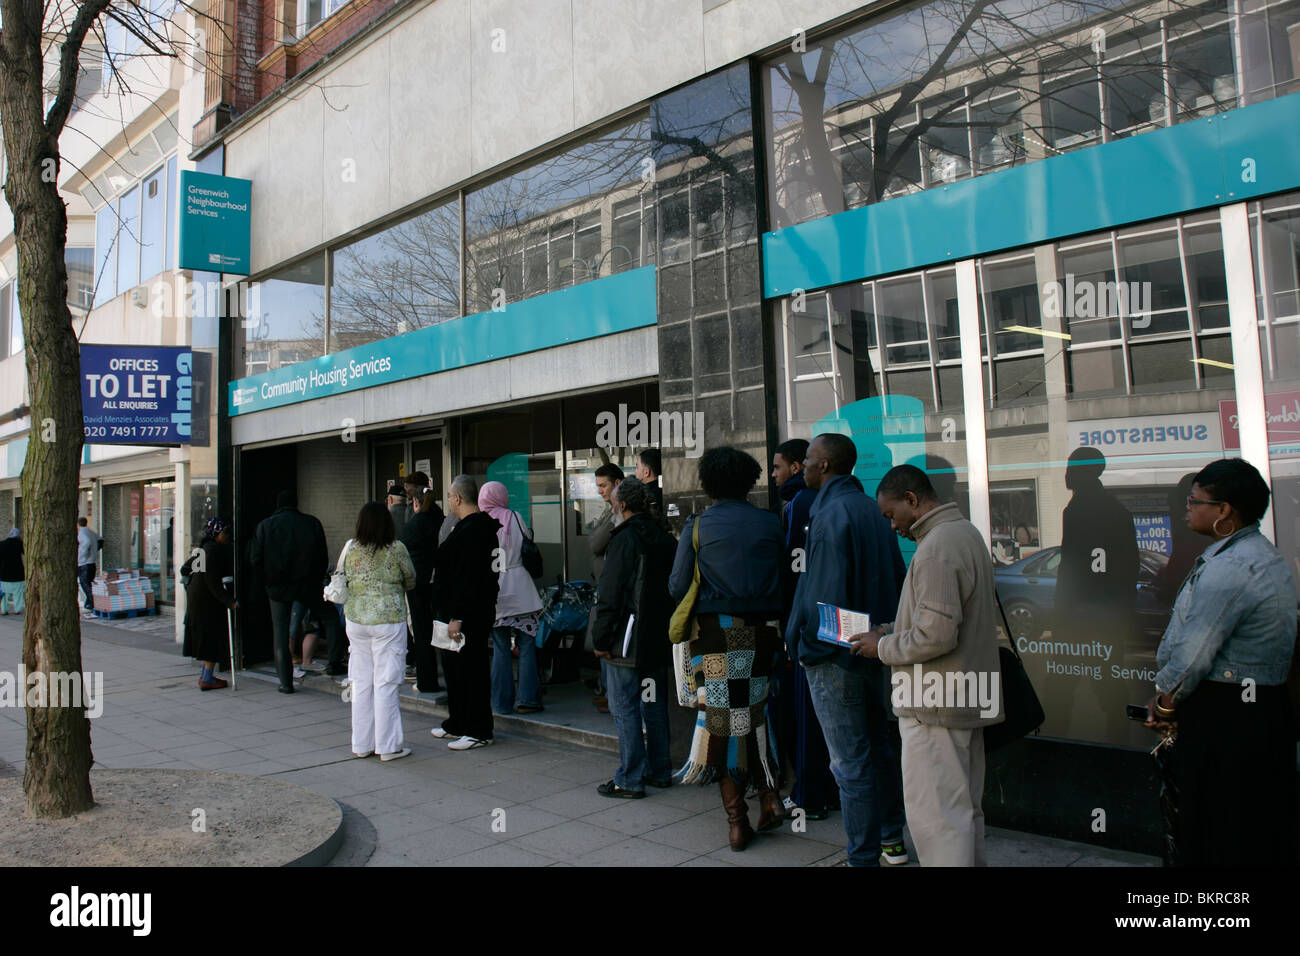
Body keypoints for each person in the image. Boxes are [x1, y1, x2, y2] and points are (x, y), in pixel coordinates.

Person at [1144, 458, 1298, 866]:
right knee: (1252, 829)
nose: (1187, 509)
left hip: (1227, 716)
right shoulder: (1262, 556)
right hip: (1258, 711)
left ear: (1224, 510)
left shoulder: (1231, 567)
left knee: (1216, 830)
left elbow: (1194, 654)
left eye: (1195, 501)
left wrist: (1164, 703)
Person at [852, 463, 1005, 867]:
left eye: (891, 515)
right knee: (963, 813)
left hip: (935, 705)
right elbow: (940, 620)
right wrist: (890, 628)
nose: (892, 526)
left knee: (937, 821)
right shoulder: (965, 533)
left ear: (912, 501)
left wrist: (882, 647)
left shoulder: (937, 546)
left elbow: (937, 635)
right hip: (963, 698)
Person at [784, 434, 908, 867]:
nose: (803, 465)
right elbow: (895, 578)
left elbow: (825, 596)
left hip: (839, 657)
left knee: (849, 763)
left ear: (826, 466)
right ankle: (892, 841)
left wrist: (810, 647)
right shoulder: (874, 511)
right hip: (876, 649)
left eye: (810, 459)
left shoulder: (830, 512)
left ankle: (862, 857)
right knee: (879, 751)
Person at [669, 446, 784, 851]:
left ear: (708, 484)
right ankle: (769, 796)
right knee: (753, 713)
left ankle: (737, 823)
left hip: (717, 632)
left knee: (725, 721)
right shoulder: (771, 523)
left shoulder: (698, 526)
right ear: (749, 481)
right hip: (764, 633)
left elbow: (677, 585)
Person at [591, 478, 678, 797]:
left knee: (624, 706)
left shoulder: (624, 539)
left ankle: (629, 777)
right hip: (657, 638)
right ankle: (659, 769)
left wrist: (601, 640)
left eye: (612, 500)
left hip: (626, 640)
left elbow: (611, 594)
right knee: (653, 704)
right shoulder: (664, 538)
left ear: (622, 505)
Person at [770, 438, 838, 821]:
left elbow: (795, 574)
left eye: (779, 467)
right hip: (846, 628)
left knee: (804, 713)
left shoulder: (800, 506)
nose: (775, 474)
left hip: (809, 629)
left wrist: (791, 629)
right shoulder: (855, 504)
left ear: (800, 467)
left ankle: (810, 793)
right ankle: (828, 790)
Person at [430, 475, 501, 750]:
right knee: (455, 669)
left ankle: (479, 729)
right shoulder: (471, 528)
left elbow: (469, 577)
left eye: (449, 496)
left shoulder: (474, 531)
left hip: (467, 614)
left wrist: (457, 616)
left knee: (471, 669)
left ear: (457, 498)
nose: (448, 500)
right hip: (460, 610)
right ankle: (457, 721)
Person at [342, 501, 417, 761]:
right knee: (385, 683)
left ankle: (361, 744)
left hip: (356, 621)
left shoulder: (351, 549)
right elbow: (411, 579)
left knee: (361, 683)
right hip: (388, 620)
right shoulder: (396, 549)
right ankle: (388, 746)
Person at [250, 489, 328, 693]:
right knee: (326, 619)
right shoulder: (312, 523)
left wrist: (267, 581)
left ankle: (286, 682)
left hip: (277, 587)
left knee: (280, 634)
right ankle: (334, 661)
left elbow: (256, 559)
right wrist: (316, 579)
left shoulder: (266, 525)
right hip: (307, 584)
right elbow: (322, 555)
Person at [478, 481, 545, 715]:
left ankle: (500, 703)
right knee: (527, 645)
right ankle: (527, 699)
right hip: (521, 590)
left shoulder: (479, 521)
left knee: (500, 647)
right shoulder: (515, 516)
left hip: (494, 591)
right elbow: (527, 538)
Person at [182, 518, 238, 691]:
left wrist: (191, 583)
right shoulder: (213, 551)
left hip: (197, 601)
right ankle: (207, 678)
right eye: (224, 533)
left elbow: (185, 569)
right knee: (211, 640)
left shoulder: (203, 549)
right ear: (216, 534)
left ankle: (205, 675)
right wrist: (230, 602)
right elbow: (212, 582)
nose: (227, 536)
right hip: (206, 603)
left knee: (206, 639)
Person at [588, 462, 625, 713]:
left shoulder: (617, 513)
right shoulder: (607, 511)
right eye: (598, 486)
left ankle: (613, 695)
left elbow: (596, 543)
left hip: (614, 587)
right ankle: (608, 691)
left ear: (617, 484)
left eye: (604, 485)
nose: (600, 491)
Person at [401, 489, 445, 694]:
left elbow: (402, 547)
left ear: (416, 503)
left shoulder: (415, 524)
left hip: (417, 581)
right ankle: (450, 676)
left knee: (421, 631)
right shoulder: (442, 521)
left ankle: (427, 680)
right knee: (443, 628)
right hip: (440, 580)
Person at [76, 517, 100, 615]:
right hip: (92, 562)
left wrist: (85, 553)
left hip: (84, 562)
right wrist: (95, 552)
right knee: (89, 582)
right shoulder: (92, 533)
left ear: (78, 524)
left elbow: (86, 542)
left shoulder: (82, 533)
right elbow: (101, 540)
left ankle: (91, 602)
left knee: (84, 583)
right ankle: (89, 602)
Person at [0, 527, 23, 615]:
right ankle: (17, 609)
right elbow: (25, 553)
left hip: (4, 573)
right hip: (18, 573)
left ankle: (4, 609)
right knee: (18, 593)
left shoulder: (2, 544)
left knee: (5, 593)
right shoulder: (19, 544)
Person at [635, 448, 663, 517]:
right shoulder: (664, 492)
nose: (635, 472)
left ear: (646, 472)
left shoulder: (643, 498)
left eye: (637, 467)